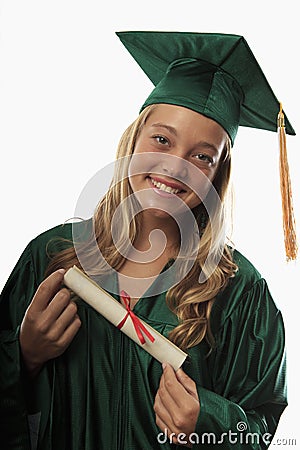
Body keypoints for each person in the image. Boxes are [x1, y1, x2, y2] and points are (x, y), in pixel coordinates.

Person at [0, 31, 297, 450]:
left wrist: (206, 422)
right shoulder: (50, 259)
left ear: (217, 175)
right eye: (161, 139)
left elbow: (260, 426)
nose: (175, 166)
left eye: (202, 156)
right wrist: (23, 357)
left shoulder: (240, 291)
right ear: (133, 141)